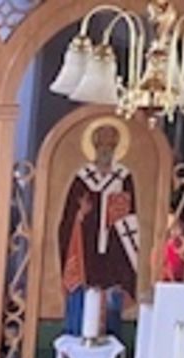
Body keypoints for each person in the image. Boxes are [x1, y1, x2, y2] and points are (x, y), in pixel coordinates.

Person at [58, 120, 139, 342]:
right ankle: (74, 339)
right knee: (82, 297)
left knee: (111, 296)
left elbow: (132, 219)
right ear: (94, 147)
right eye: (101, 145)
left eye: (110, 146)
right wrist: (80, 216)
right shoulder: (83, 177)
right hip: (85, 249)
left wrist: (120, 213)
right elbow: (66, 221)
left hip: (114, 250)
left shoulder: (123, 177)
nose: (106, 150)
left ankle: (112, 348)